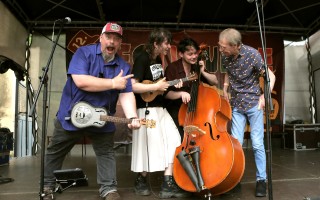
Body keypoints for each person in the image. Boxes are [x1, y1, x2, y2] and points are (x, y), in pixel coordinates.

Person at [43, 22, 141, 200]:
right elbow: (80, 81)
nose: (112, 42)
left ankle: (109, 189)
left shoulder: (123, 67)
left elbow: (126, 94)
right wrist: (112, 83)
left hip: (101, 118)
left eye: (116, 39)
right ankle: (48, 185)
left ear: (119, 43)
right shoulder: (83, 53)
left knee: (106, 152)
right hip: (73, 115)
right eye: (108, 37)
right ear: (101, 38)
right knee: (55, 150)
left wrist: (132, 117)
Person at [130, 28, 190, 199]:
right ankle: (141, 179)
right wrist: (155, 87)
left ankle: (167, 182)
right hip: (146, 109)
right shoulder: (142, 58)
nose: (168, 46)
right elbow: (134, 86)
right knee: (148, 147)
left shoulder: (157, 60)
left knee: (175, 140)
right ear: (155, 43)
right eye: (166, 43)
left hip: (160, 108)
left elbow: (163, 91)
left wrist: (176, 89)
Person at [219, 28, 276, 197]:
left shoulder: (252, 55)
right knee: (236, 144)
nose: (221, 49)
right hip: (236, 105)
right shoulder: (225, 56)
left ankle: (261, 181)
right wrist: (225, 87)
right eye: (219, 46)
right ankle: (236, 179)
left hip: (253, 105)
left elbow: (271, 77)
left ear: (236, 45)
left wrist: (264, 97)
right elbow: (229, 73)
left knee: (257, 144)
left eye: (224, 47)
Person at [164, 37, 218, 140]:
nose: (194, 57)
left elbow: (214, 81)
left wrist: (202, 71)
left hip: (194, 111)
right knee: (178, 139)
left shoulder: (196, 67)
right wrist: (181, 94)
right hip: (176, 111)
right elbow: (166, 93)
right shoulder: (172, 68)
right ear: (181, 54)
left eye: (196, 53)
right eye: (190, 54)